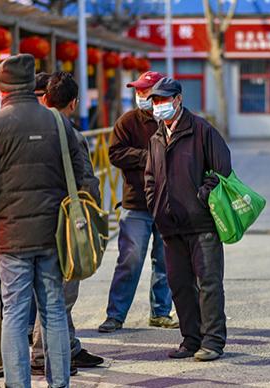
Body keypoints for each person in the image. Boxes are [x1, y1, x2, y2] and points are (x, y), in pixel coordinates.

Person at [0, 54, 85, 388]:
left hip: (10, 238)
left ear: (1, 86)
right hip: (53, 236)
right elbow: (83, 177)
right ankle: (59, 382)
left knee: (16, 314)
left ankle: (18, 384)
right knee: (54, 311)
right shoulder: (60, 123)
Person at [144, 77, 232, 362]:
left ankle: (213, 341)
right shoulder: (157, 136)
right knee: (179, 284)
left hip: (201, 222)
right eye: (155, 101)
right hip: (169, 226)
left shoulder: (202, 130)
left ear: (178, 99)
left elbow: (222, 170)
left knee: (208, 283)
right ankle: (190, 339)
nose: (159, 106)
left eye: (163, 100)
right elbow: (150, 177)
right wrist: (155, 205)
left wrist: (202, 196)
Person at [29, 71, 104, 375]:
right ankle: (41, 356)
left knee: (34, 294)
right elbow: (86, 183)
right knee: (60, 294)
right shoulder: (70, 134)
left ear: (44, 98)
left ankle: (68, 347)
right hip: (61, 225)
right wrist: (93, 217)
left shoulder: (20, 130)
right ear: (73, 103)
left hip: (21, 225)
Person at [98, 71, 178, 333]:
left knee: (165, 261)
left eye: (146, 91)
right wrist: (149, 156)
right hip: (136, 205)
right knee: (129, 261)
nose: (141, 96)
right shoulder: (127, 122)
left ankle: (160, 312)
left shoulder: (173, 122)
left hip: (167, 204)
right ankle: (115, 315)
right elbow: (115, 153)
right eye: (139, 91)